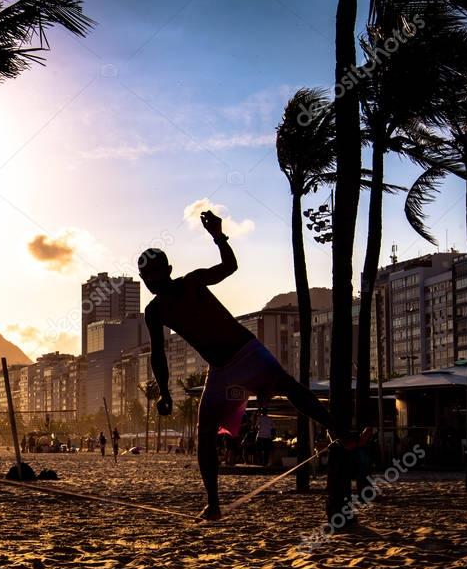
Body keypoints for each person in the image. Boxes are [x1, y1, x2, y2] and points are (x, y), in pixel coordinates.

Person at [140, 210, 344, 522]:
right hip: (219, 370)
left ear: (168, 270)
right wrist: (164, 392)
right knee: (205, 431)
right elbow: (158, 354)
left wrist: (218, 236)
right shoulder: (154, 311)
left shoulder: (193, 281)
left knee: (287, 386)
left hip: (246, 350)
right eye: (146, 279)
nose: (152, 282)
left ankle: (338, 430)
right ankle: (213, 503)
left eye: (155, 275)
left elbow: (229, 267)